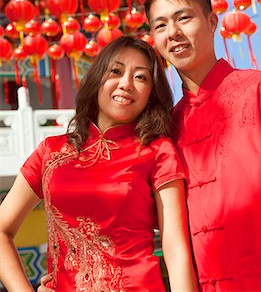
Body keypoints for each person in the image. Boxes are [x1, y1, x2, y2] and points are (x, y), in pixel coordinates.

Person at [0, 35, 199, 292]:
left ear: (151, 94)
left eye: (140, 77)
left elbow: (174, 247)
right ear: (96, 80)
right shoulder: (51, 151)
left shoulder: (157, 151)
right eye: (116, 71)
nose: (126, 83)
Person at [144, 0, 261, 291]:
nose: (172, 32)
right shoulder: (166, 129)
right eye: (161, 25)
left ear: (212, 22)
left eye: (183, 18)